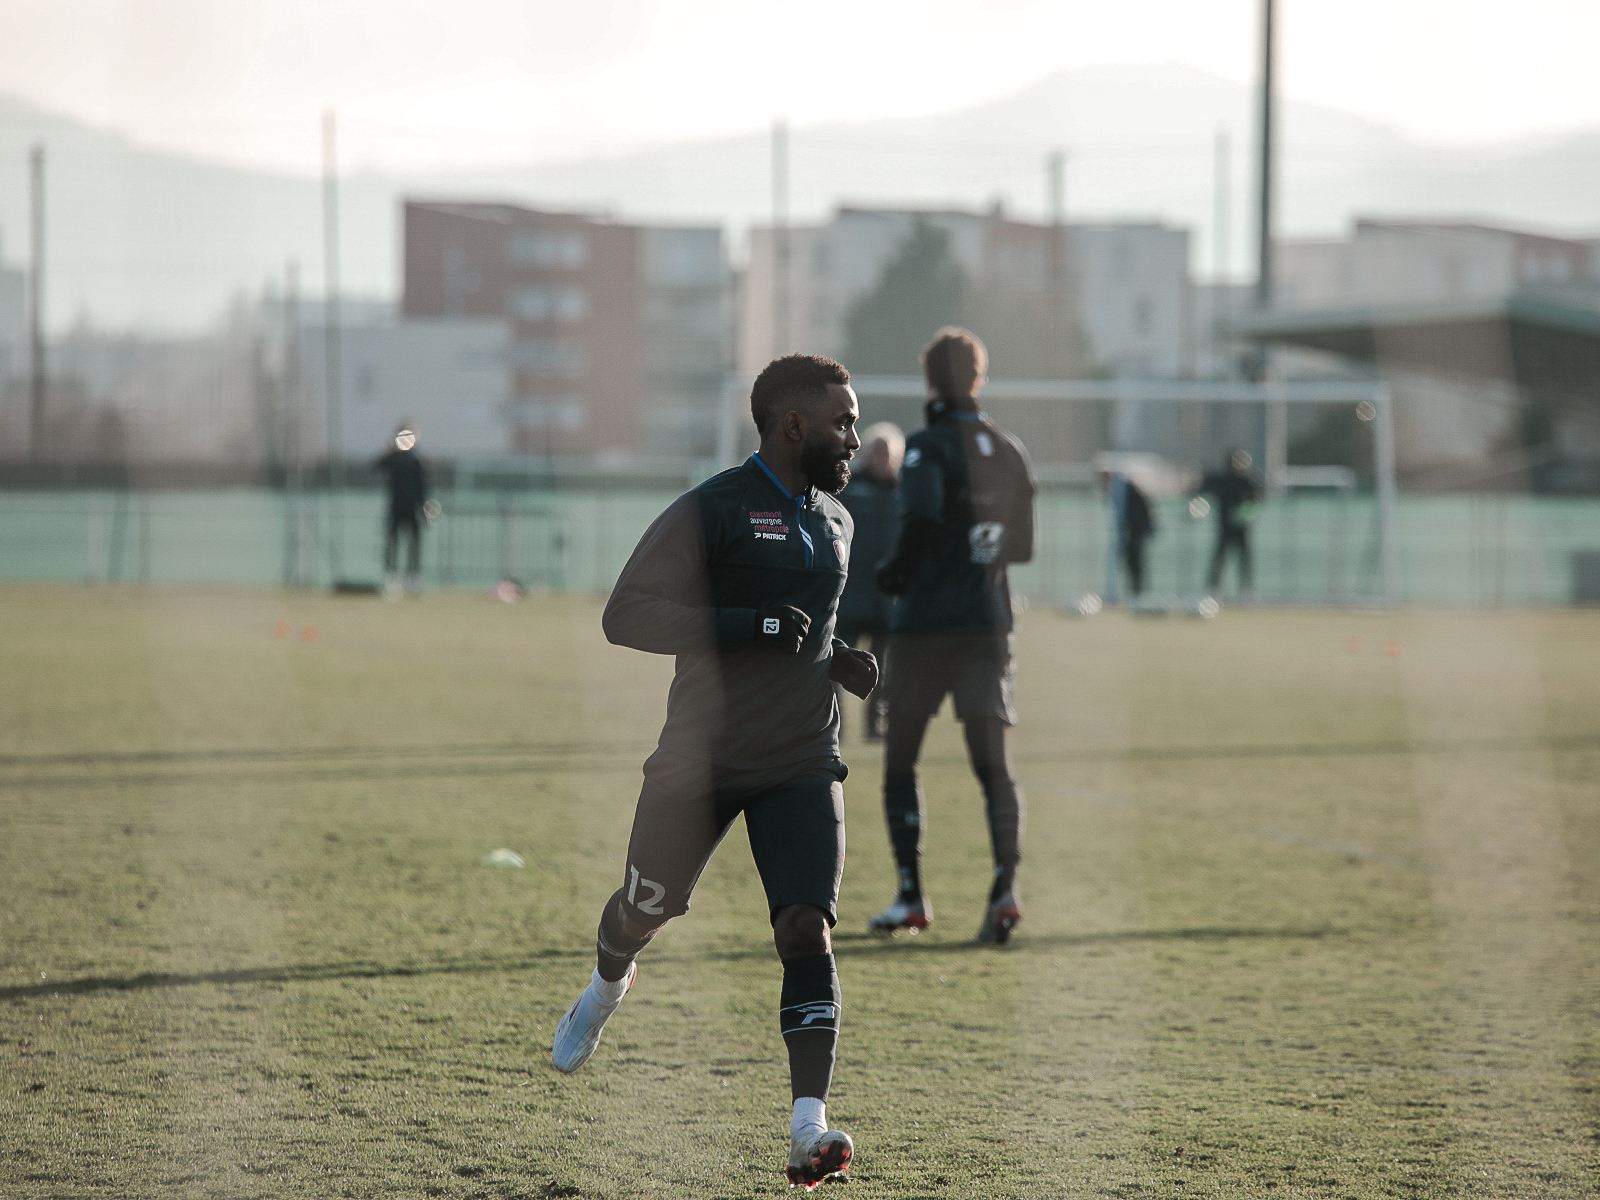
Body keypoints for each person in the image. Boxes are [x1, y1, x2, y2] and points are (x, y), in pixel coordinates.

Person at [550, 354, 877, 1192]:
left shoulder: (838, 520)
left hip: (803, 756)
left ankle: (809, 1128)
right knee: (643, 909)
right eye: (842, 421)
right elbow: (625, 614)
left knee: (805, 927)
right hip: (702, 757)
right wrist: (745, 621)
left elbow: (802, 631)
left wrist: (837, 660)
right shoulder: (714, 509)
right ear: (792, 425)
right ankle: (607, 982)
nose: (854, 435)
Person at [870, 328, 1037, 944]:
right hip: (989, 627)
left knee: (900, 762)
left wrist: (895, 572)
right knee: (994, 767)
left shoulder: (926, 448)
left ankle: (911, 894)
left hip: (925, 630)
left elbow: (919, 516)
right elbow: (1021, 546)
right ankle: (1005, 890)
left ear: (930, 381)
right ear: (979, 377)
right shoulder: (1010, 449)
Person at [834, 422, 904, 740]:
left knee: (884, 669)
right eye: (877, 451)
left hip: (886, 599)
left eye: (888, 453)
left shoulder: (904, 491)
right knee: (835, 663)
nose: (882, 458)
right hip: (849, 594)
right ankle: (834, 726)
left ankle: (875, 727)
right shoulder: (847, 487)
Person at [375, 425, 428, 596]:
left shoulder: (416, 461)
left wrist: (424, 507)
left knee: (414, 546)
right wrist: (392, 449)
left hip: (413, 509)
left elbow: (422, 487)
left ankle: (412, 580)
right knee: (392, 545)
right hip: (396, 509)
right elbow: (377, 465)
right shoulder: (394, 460)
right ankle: (392, 579)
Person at [1201, 448, 1262, 594]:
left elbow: (1256, 500)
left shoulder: (1247, 482)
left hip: (1241, 527)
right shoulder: (1222, 480)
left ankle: (1246, 590)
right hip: (1225, 527)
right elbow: (1202, 487)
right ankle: (1213, 589)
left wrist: (1245, 513)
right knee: (1220, 558)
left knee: (1244, 559)